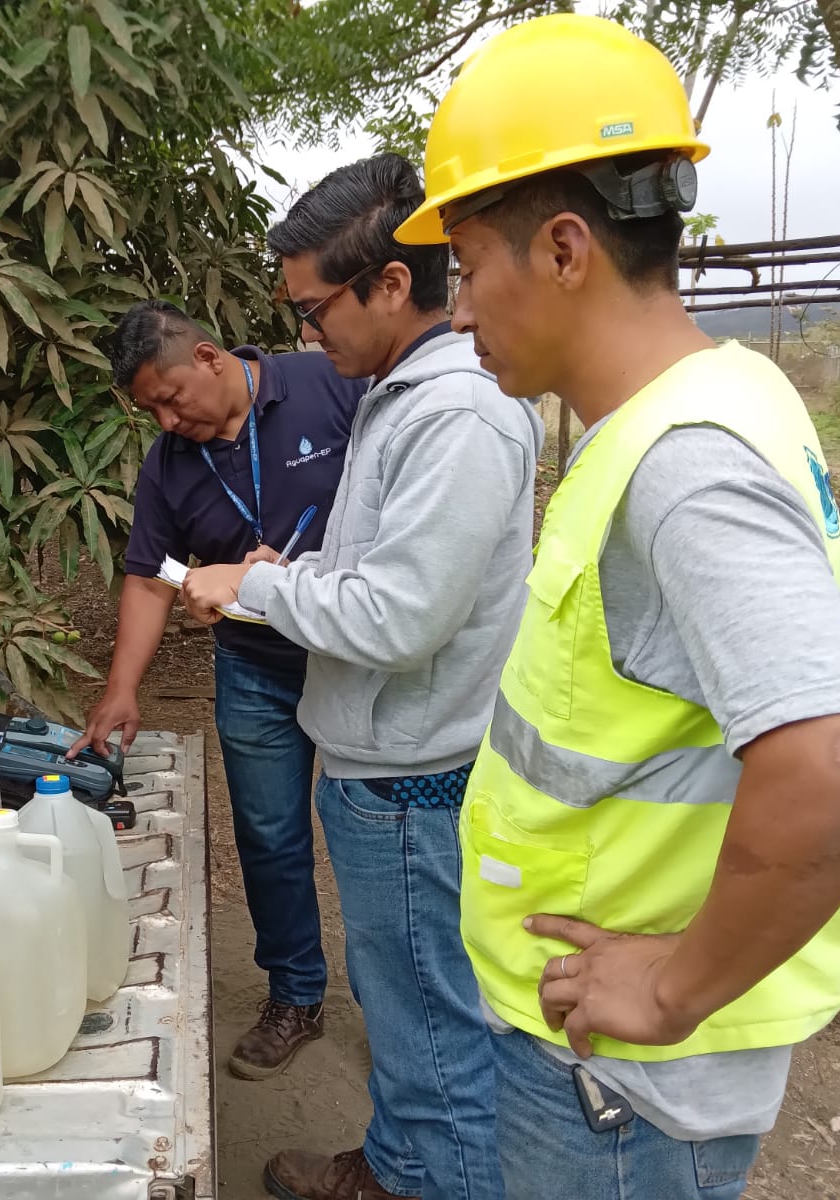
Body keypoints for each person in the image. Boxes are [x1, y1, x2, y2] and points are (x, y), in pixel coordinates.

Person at [394, 14, 840, 1199]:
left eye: (465, 268)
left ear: (563, 249)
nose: (458, 313)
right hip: (609, 1068)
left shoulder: (683, 462)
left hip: (619, 1091)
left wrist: (671, 988)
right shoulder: (714, 398)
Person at [184, 153, 541, 1200]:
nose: (307, 336)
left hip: (414, 776)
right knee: (403, 1001)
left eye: (313, 310)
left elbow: (401, 617)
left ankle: (434, 1179)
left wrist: (252, 588)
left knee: (430, 1017)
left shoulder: (455, 415)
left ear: (389, 284)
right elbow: (387, 575)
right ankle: (398, 1162)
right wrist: (294, 577)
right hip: (386, 760)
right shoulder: (397, 396)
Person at [71, 300, 364, 1081]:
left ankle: (402, 1002)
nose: (168, 420)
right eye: (151, 411)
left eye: (171, 397)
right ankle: (295, 995)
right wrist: (122, 688)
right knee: (270, 836)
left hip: (358, 659)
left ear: (207, 357)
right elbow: (150, 575)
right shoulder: (168, 464)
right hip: (255, 667)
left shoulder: (330, 384)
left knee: (375, 831)